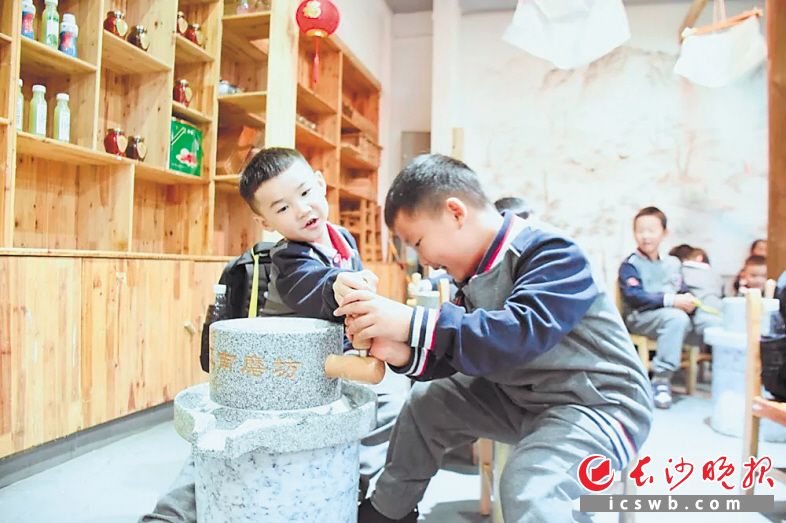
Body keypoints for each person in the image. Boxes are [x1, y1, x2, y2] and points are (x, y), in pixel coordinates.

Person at [334, 154, 652, 522]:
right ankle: (389, 511)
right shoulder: (471, 278)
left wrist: (410, 322)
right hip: (526, 399)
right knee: (429, 402)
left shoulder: (552, 253)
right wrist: (400, 351)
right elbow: (462, 350)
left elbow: (516, 335)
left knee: (531, 486)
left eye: (418, 242)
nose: (424, 259)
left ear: (455, 212)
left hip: (599, 405)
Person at [140, 148, 405, 522]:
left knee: (388, 406)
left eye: (305, 193)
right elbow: (313, 287)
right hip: (274, 369)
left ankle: (365, 495)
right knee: (228, 445)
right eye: (281, 209)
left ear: (319, 183)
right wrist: (341, 285)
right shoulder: (290, 257)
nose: (301, 210)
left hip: (323, 369)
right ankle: (170, 515)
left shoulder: (343, 239)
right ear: (263, 220)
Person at [618, 207, 711, 409]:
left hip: (671, 316)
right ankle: (661, 378)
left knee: (698, 317)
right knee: (676, 319)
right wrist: (672, 301)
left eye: (651, 230)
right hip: (641, 318)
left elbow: (682, 289)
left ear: (664, 233)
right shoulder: (630, 264)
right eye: (640, 230)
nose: (645, 236)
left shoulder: (673, 263)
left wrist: (689, 302)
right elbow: (635, 297)